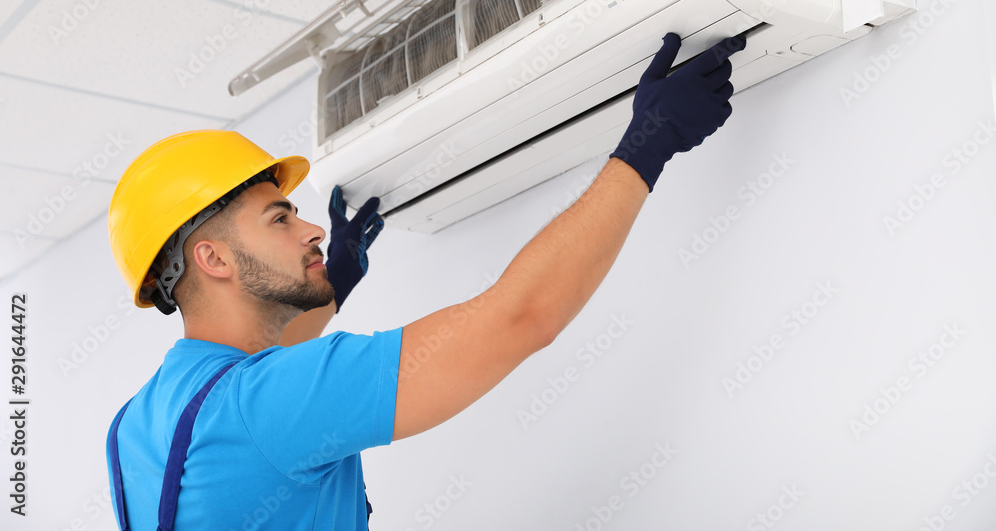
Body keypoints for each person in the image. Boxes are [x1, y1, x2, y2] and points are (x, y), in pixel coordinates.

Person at [105, 31, 745, 530]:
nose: (313, 232)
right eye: (280, 218)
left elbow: (251, 418)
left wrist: (330, 291)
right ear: (214, 260)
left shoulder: (137, 423)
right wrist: (647, 146)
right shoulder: (265, 403)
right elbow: (522, 317)